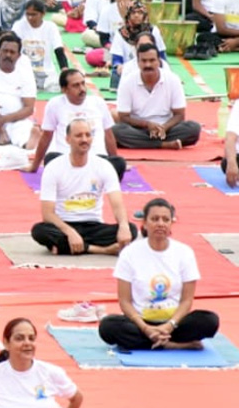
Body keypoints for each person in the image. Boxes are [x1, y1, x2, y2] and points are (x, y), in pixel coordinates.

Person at [98, 198, 220, 351]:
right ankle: (170, 344)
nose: (160, 224)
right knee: (108, 326)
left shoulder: (184, 252)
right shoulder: (129, 253)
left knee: (209, 320)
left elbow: (187, 301)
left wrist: (170, 325)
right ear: (144, 223)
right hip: (140, 322)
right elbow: (125, 301)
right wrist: (145, 328)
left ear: (171, 223)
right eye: (155, 219)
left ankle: (153, 342)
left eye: (165, 219)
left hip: (174, 324)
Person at [30, 119, 136, 256]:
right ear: (67, 139)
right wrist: (70, 232)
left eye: (88, 135)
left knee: (131, 230)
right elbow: (47, 214)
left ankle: (65, 247)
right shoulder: (53, 168)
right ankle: (99, 249)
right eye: (79, 135)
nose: (84, 139)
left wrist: (123, 226)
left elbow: (117, 204)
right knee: (39, 231)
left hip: (93, 225)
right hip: (64, 224)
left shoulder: (103, 166)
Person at [28, 69, 126, 180]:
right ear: (64, 89)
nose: (82, 89)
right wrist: (34, 166)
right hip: (67, 159)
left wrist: (113, 158)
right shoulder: (54, 104)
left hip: (96, 159)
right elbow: (46, 137)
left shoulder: (98, 103)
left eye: (83, 83)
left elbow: (109, 135)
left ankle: (78, 177)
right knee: (50, 159)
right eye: (76, 85)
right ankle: (89, 177)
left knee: (119, 163)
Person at [111, 44, 202, 150]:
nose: (148, 64)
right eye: (143, 61)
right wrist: (147, 124)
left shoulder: (173, 80)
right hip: (139, 128)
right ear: (138, 63)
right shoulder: (127, 82)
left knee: (193, 128)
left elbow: (179, 115)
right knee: (116, 131)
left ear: (159, 61)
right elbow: (123, 117)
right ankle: (164, 145)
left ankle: (144, 143)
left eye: (152, 60)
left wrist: (163, 128)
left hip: (167, 129)